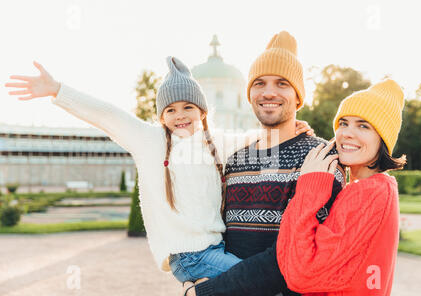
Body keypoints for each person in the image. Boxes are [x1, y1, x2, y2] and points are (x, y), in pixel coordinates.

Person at [5, 57, 312, 284]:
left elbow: (255, 137)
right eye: (170, 110)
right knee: (263, 286)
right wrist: (58, 90)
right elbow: (108, 115)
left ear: (202, 111)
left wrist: (294, 130)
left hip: (216, 248)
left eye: (187, 107)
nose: (180, 116)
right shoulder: (150, 141)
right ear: (162, 116)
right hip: (190, 257)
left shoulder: (215, 142)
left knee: (248, 289)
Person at [183, 31, 346, 296]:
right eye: (259, 83)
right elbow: (221, 240)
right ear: (249, 94)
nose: (269, 92)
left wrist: (204, 294)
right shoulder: (236, 161)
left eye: (282, 83)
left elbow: (297, 255)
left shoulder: (321, 158)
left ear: (298, 96)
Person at [276, 79, 406, 296]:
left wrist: (308, 188)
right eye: (343, 123)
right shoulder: (379, 187)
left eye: (363, 126)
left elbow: (302, 274)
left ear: (383, 139)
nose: (346, 133)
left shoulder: (367, 193)